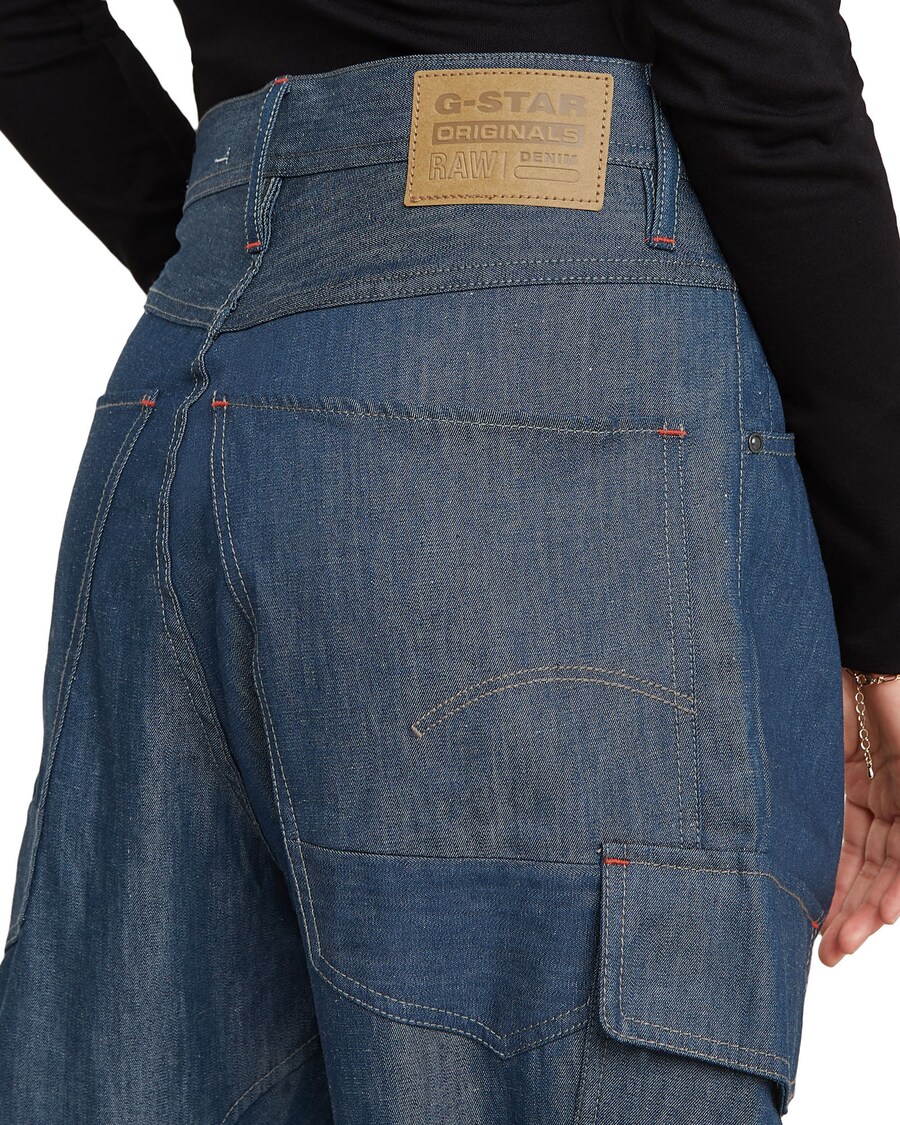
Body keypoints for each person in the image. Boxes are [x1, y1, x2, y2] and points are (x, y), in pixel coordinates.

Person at [0, 2, 898, 1122]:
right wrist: (885, 611)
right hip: (550, 396)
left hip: (190, 392)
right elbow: (758, 78)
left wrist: (263, 255)